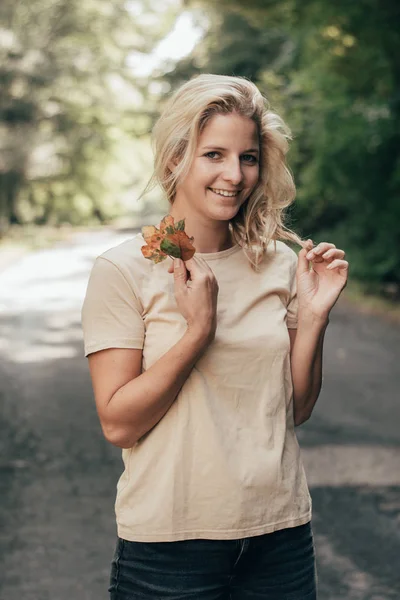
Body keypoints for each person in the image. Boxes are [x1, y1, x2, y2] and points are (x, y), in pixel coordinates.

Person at [81, 74, 349, 599]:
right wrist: (197, 331)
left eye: (248, 157)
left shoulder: (279, 264)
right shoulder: (123, 271)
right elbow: (118, 422)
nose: (234, 174)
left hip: (280, 538)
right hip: (170, 548)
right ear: (175, 160)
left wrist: (314, 317)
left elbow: (294, 409)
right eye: (214, 155)